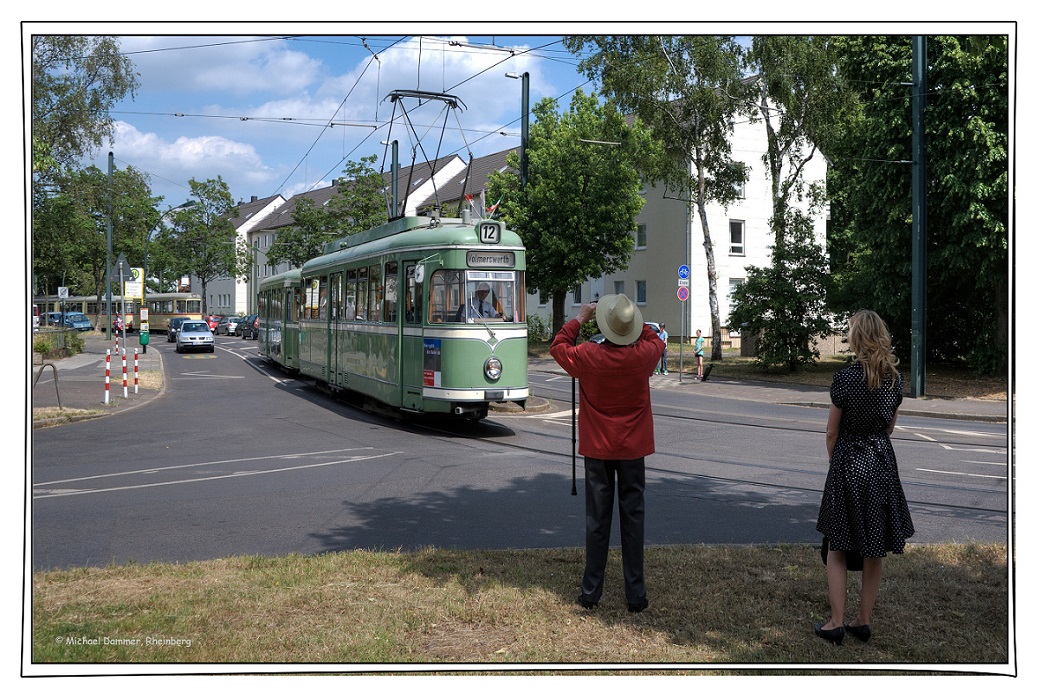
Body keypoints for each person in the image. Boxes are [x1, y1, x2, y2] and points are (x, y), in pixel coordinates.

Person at [550, 294, 665, 613]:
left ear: (604, 325)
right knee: (634, 518)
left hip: (598, 447)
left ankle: (591, 592)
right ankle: (635, 594)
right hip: (633, 447)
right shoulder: (644, 355)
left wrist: (581, 318)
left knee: (597, 520)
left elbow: (558, 347)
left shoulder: (588, 355)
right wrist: (634, 322)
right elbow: (656, 338)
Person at [813, 309, 914, 645]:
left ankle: (837, 623)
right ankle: (863, 620)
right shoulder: (895, 380)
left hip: (848, 462)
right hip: (881, 463)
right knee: (875, 547)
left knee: (838, 546)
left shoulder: (845, 379)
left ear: (857, 339)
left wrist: (836, 462)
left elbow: (831, 431)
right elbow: (889, 426)